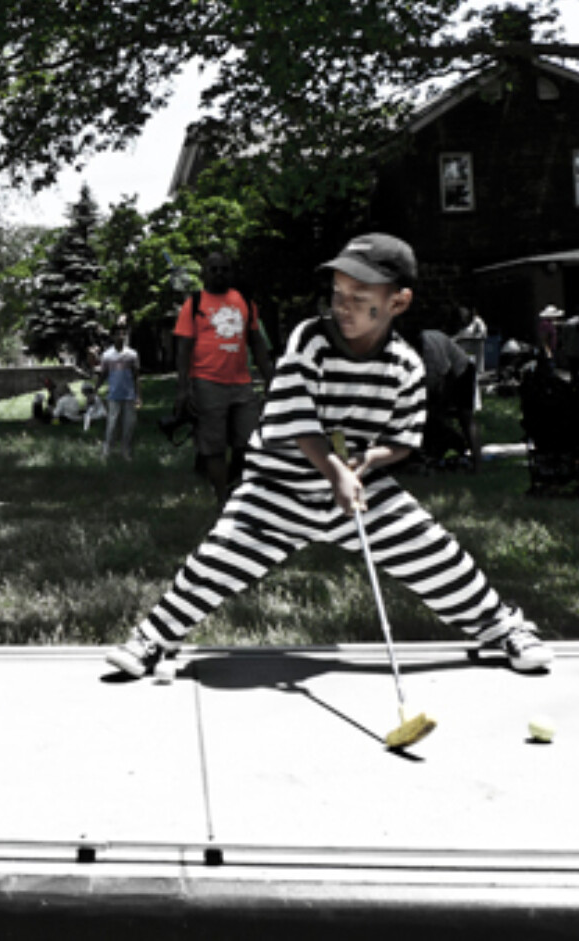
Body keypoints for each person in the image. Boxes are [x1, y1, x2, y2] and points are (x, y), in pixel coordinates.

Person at [107, 233, 554, 680]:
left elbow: (404, 438)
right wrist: (334, 469)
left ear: (398, 303)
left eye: (360, 297)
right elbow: (299, 420)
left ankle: (503, 629)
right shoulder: (311, 339)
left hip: (359, 489)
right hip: (276, 487)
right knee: (217, 559)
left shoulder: (406, 366)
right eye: (339, 293)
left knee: (435, 552)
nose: (344, 305)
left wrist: (367, 463)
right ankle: (155, 636)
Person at [173, 250, 275, 502]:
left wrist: (273, 380)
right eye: (214, 269)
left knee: (250, 442)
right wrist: (183, 388)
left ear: (232, 272)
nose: (219, 273)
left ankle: (233, 480)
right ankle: (223, 500)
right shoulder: (194, 303)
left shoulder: (244, 302)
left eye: (224, 269)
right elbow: (183, 348)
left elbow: (258, 345)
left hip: (241, 384)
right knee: (214, 446)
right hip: (207, 383)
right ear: (205, 273)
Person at [418, 329, 480, 471]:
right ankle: (434, 453)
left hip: (462, 369)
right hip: (445, 373)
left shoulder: (431, 350)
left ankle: (477, 462)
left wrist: (440, 406)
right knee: (433, 415)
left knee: (466, 417)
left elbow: (446, 376)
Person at [98, 323, 141, 458]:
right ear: (113, 336)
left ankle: (126, 451)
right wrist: (95, 389)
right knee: (111, 426)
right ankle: (107, 451)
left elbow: (136, 377)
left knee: (128, 426)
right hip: (114, 395)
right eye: (118, 333)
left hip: (129, 396)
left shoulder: (132, 355)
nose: (121, 336)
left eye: (123, 333)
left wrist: (138, 395)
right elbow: (103, 374)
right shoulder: (107, 355)